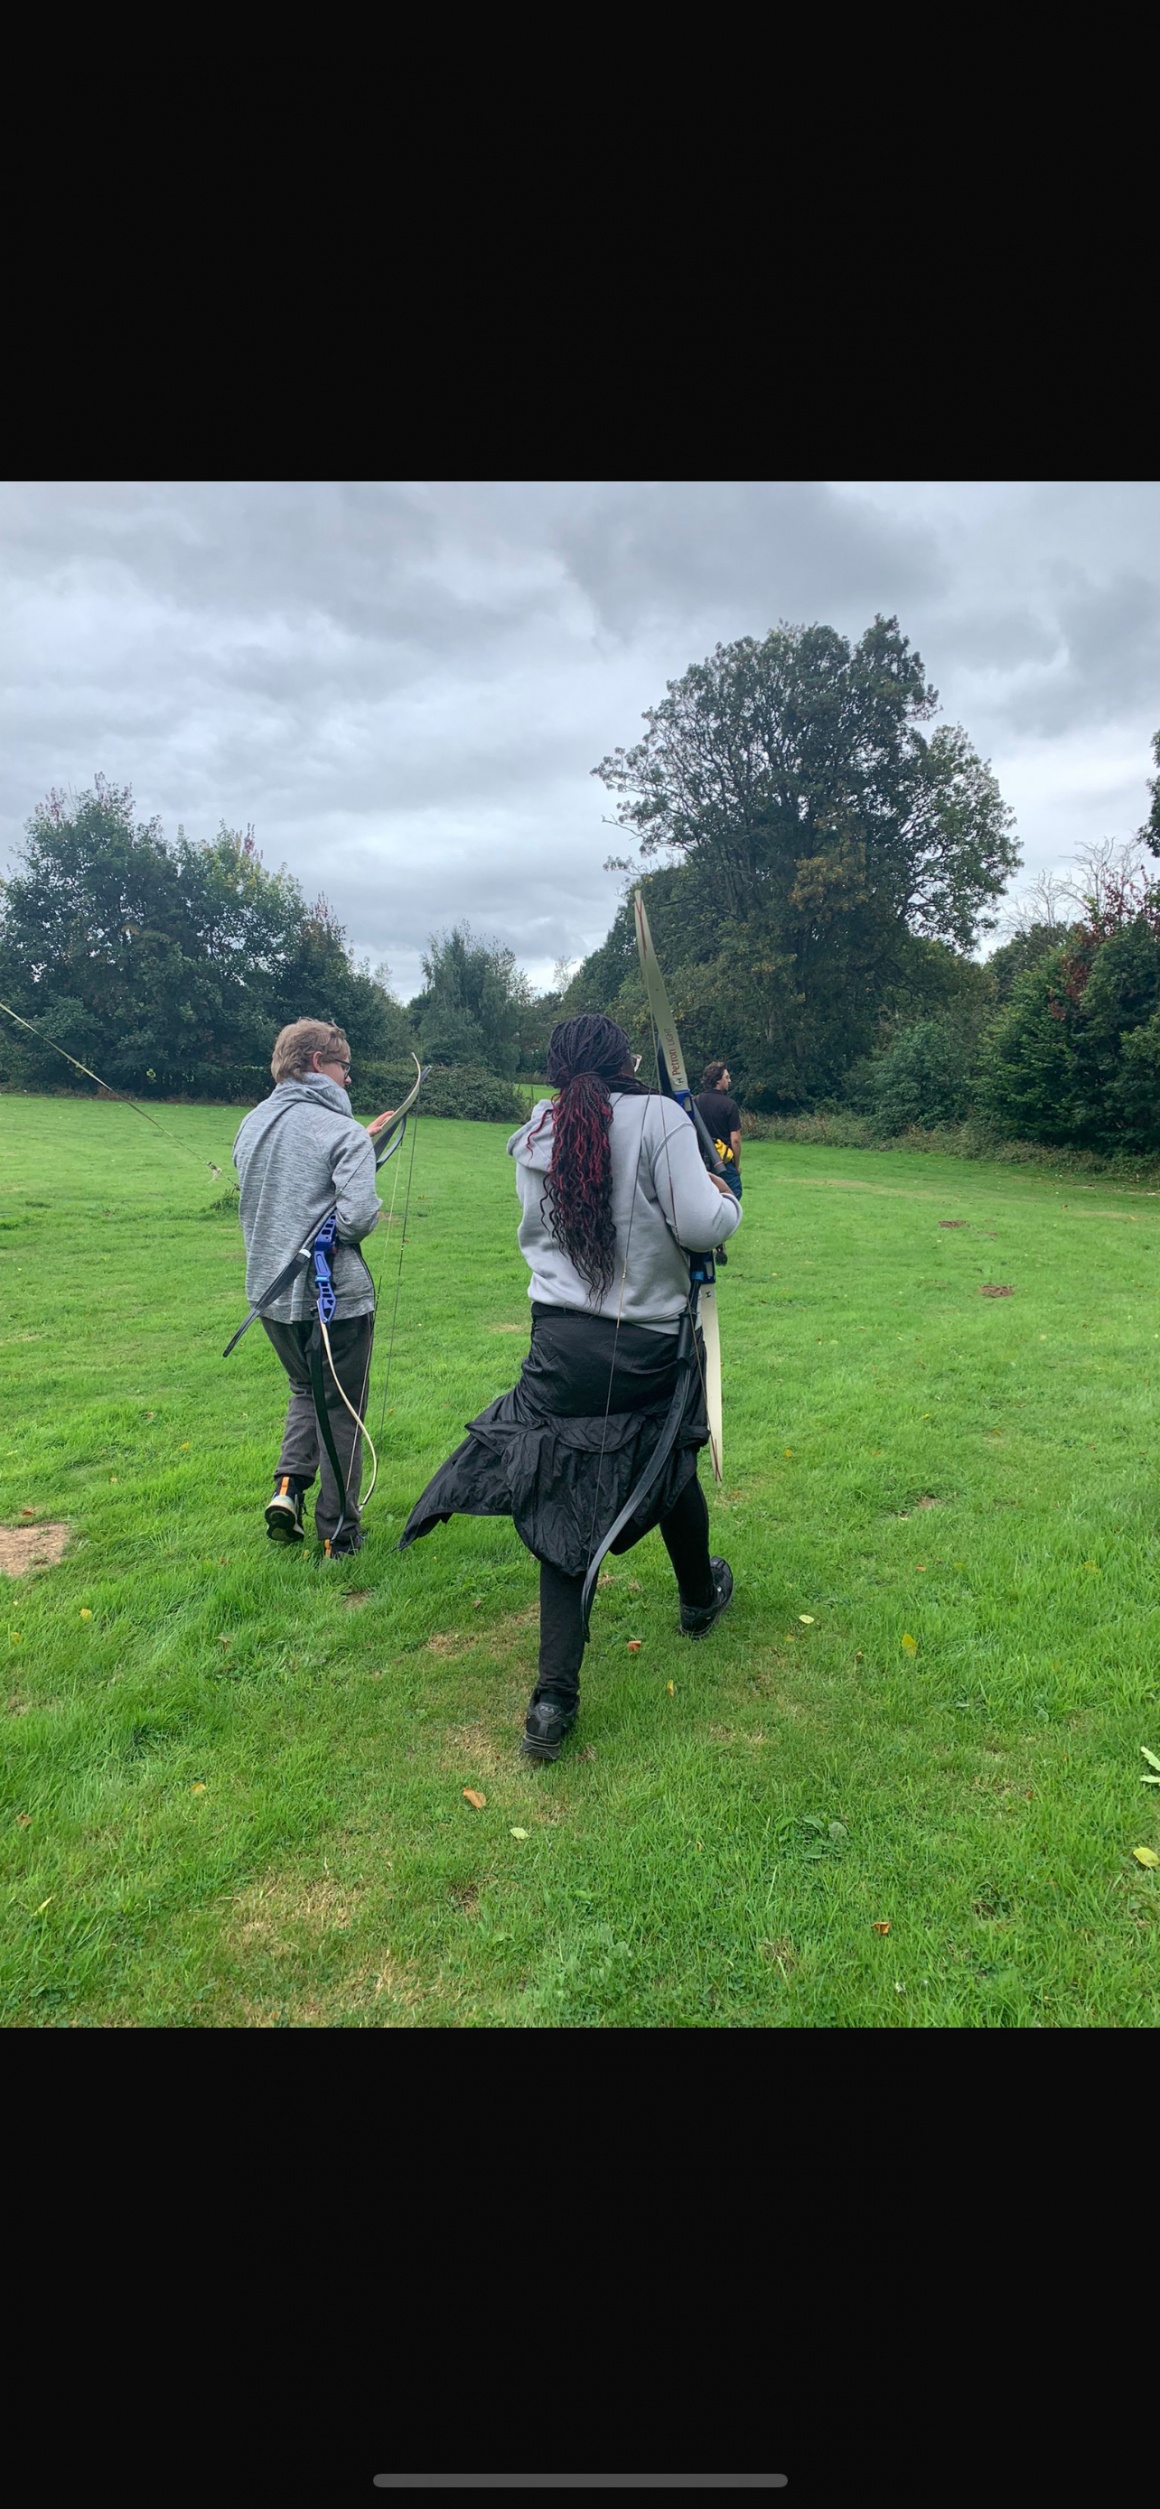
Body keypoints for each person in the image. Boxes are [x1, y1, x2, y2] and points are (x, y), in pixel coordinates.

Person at [398, 1013, 742, 1760]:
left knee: (570, 1485)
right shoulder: (659, 1118)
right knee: (668, 1451)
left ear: (557, 1068)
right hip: (647, 1342)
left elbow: (540, 1231)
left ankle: (560, 1694)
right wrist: (728, 1198)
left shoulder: (541, 1127)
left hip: (558, 1342)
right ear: (623, 1061)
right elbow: (701, 1224)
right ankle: (691, 1601)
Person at [232, 1019, 395, 1559]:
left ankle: (287, 1489)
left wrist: (360, 1143)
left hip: (270, 1298)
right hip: (335, 1300)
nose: (348, 1079)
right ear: (317, 1063)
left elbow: (292, 1177)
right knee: (342, 1409)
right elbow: (357, 1219)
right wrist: (357, 1147)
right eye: (344, 1067)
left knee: (306, 1389)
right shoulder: (340, 1133)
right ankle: (337, 1538)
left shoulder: (253, 1123)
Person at [695, 1061, 743, 1196]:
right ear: (717, 1080)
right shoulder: (729, 1105)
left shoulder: (694, 1102)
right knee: (733, 1195)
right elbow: (735, 1139)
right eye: (726, 1077)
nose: (729, 1080)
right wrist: (736, 1165)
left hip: (700, 1161)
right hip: (723, 1162)